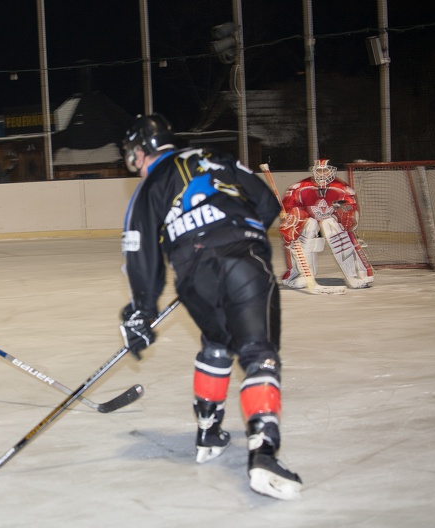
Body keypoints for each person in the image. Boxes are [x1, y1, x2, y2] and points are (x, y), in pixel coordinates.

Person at [117, 114, 302, 500]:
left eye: (133, 153)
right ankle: (263, 452)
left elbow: (141, 252)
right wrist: (241, 229)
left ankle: (208, 431)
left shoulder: (150, 186)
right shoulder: (219, 158)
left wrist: (142, 310)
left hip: (193, 273)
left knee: (216, 342)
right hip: (243, 257)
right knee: (257, 353)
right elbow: (267, 203)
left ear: (144, 150)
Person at [279, 159, 374, 289]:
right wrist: (290, 216)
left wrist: (347, 215)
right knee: (309, 225)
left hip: (331, 224)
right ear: (314, 171)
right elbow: (289, 207)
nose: (322, 173)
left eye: (325, 170)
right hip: (311, 223)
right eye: (319, 170)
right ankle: (302, 274)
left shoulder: (342, 188)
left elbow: (351, 209)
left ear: (332, 171)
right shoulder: (300, 187)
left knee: (330, 224)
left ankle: (354, 274)